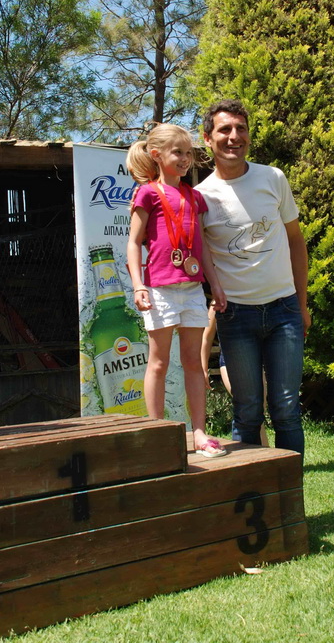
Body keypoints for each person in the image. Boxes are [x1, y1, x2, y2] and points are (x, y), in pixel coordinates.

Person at [196, 99, 311, 457]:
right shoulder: (200, 197)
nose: (234, 136)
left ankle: (291, 488)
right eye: (224, 129)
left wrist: (302, 305)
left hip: (284, 311)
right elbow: (200, 260)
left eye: (241, 128)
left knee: (287, 410)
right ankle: (251, 487)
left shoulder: (273, 178)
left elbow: (296, 242)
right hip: (236, 317)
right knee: (247, 413)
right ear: (207, 139)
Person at [126, 124, 227, 458]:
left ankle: (199, 432)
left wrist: (215, 284)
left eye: (188, 153)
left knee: (194, 363)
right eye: (177, 153)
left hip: (193, 289)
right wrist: (138, 285)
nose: (185, 159)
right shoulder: (147, 193)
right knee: (158, 363)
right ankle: (156, 433)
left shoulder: (194, 196)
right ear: (157, 155)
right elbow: (133, 243)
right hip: (160, 291)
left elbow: (203, 247)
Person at [201, 304, 269, 446]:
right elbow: (207, 337)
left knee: (259, 408)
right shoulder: (216, 304)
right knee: (247, 406)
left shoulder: (250, 299)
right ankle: (252, 450)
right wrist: (203, 368)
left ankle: (264, 451)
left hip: (254, 361)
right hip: (229, 361)